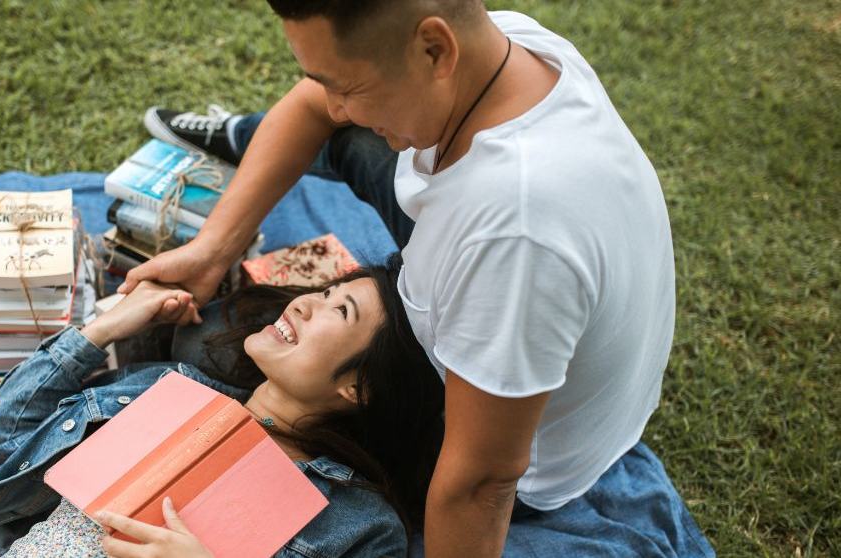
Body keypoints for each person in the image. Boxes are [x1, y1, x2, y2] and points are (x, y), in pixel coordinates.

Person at [122, 2, 713, 556]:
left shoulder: (511, 237)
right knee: (340, 135)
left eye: (347, 86)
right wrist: (212, 250)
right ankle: (241, 135)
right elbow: (312, 107)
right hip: (508, 280)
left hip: (527, 451)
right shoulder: (508, 48)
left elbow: (481, 483)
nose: (335, 104)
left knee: (209, 341)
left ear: (435, 49)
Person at [0, 261, 445, 558]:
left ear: (361, 389)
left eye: (340, 312)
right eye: (323, 291)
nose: (308, 304)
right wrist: (99, 331)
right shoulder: (167, 391)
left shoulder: (362, 523)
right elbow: (2, 441)